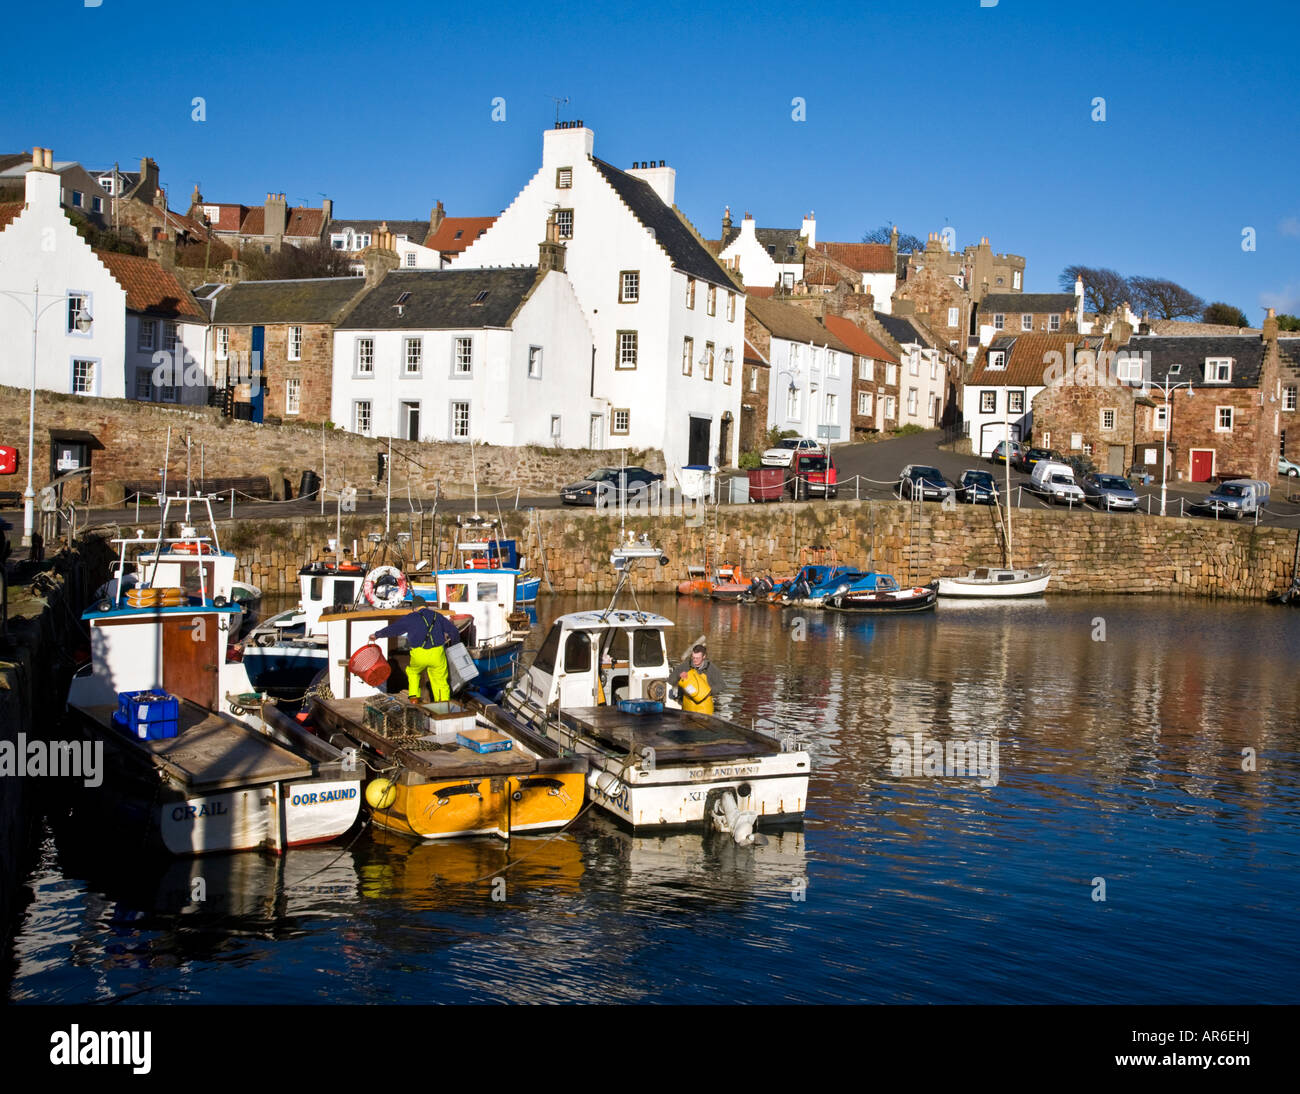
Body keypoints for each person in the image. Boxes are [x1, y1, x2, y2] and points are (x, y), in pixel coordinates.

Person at [369, 597, 461, 703]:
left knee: (413, 672)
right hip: (437, 653)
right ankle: (443, 704)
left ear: (414, 608)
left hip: (419, 653)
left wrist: (377, 635)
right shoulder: (437, 616)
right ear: (425, 606)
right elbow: (453, 631)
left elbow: (394, 629)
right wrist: (455, 646)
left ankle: (414, 699)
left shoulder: (410, 617)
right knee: (440, 680)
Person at [673, 644, 723, 714]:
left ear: (704, 656)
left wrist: (709, 692)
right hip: (687, 708)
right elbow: (675, 681)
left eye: (698, 658)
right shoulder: (685, 666)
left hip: (704, 709)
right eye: (693, 657)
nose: (695, 660)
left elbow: (721, 685)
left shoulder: (711, 668)